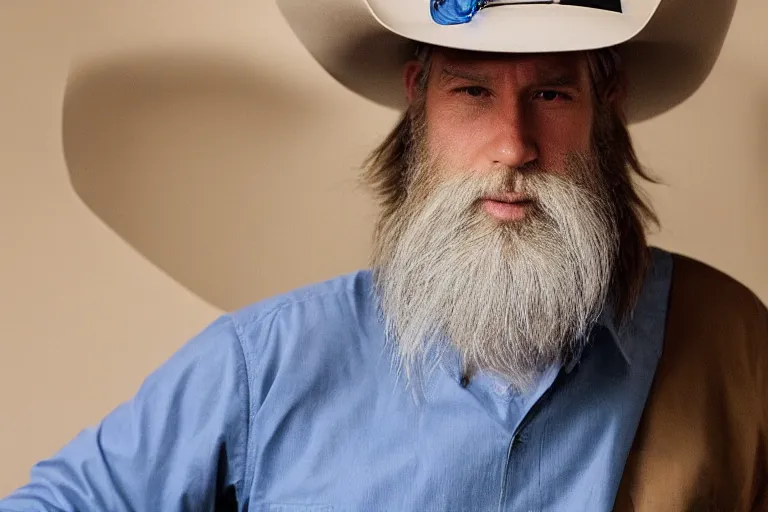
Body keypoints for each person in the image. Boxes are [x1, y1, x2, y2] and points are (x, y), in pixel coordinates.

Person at [2, 0, 766, 509]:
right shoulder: (262, 364)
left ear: (607, 108)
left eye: (553, 95)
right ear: (418, 99)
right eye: (471, 92)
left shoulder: (730, 345)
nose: (513, 144)